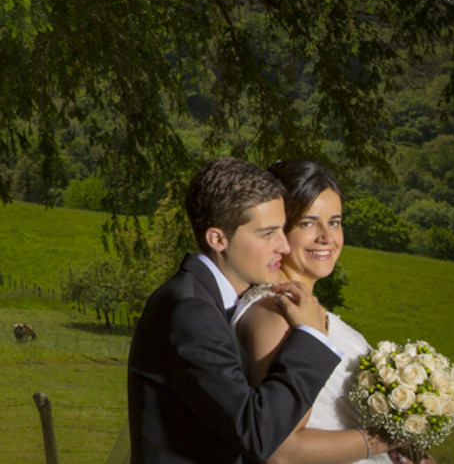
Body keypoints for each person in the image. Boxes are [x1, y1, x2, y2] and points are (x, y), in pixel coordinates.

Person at [127, 156, 372, 464]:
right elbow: (257, 433)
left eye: (283, 230)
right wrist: (310, 335)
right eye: (268, 233)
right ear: (218, 239)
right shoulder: (192, 311)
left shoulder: (205, 299)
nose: (283, 246)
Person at [231, 160, 411, 464]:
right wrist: (386, 437)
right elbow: (280, 449)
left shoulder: (306, 310)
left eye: (335, 222)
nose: (327, 237)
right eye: (307, 223)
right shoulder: (276, 314)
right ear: (276, 228)